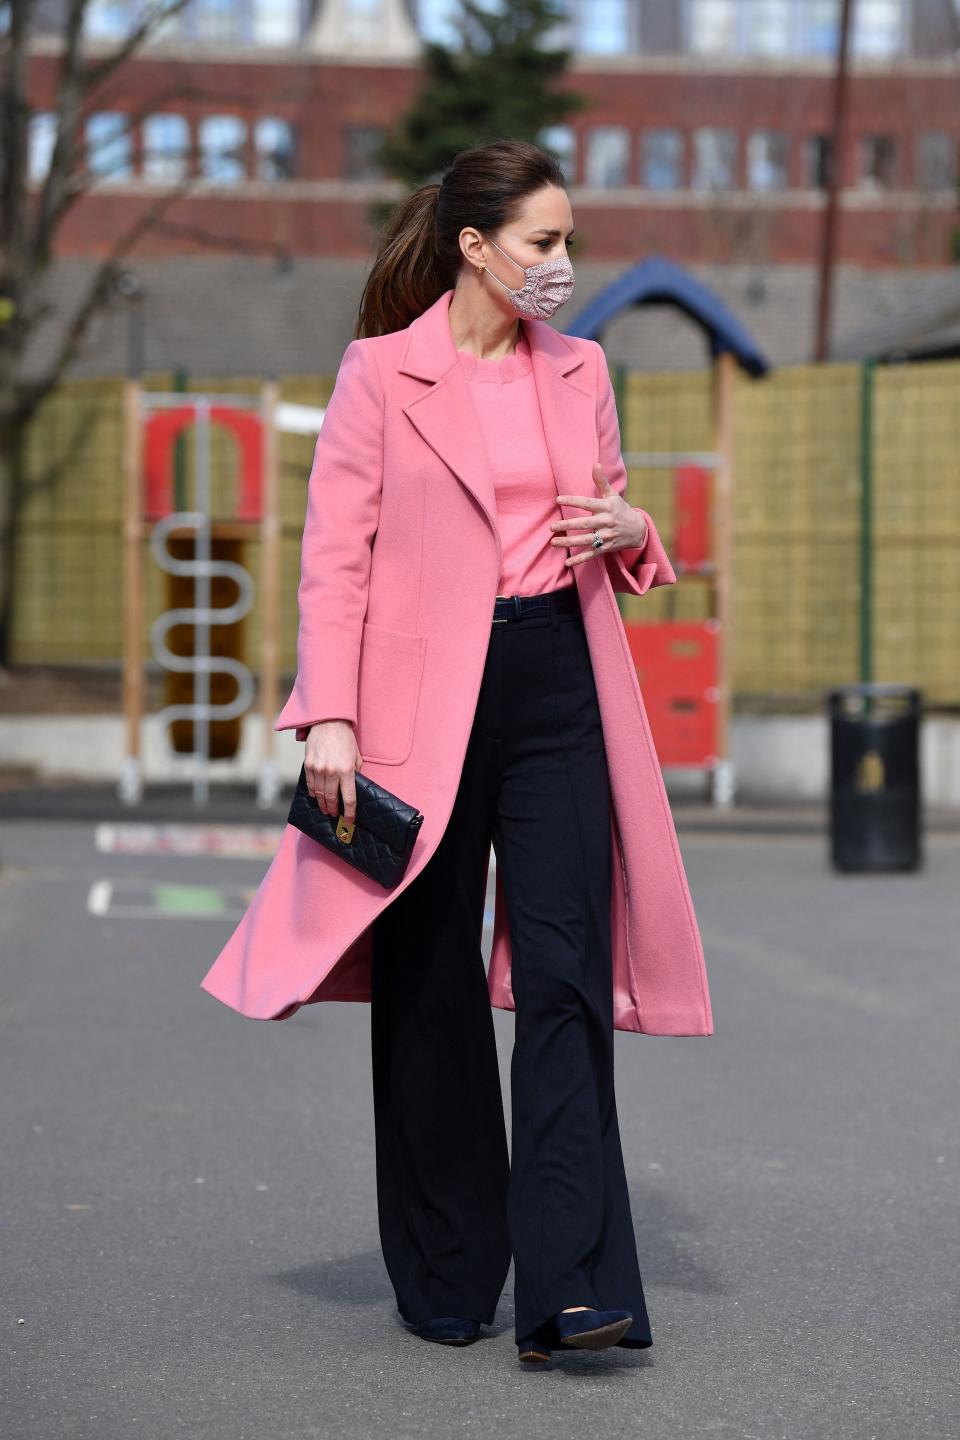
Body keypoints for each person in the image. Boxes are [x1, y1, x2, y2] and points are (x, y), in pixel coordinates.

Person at [202, 136, 714, 1367]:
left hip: (555, 690)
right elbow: (336, 557)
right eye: (543, 242)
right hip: (416, 711)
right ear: (475, 248)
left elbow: (610, 519)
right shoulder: (380, 374)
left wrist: (638, 526)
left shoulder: (580, 367)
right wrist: (327, 713)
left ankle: (571, 1283)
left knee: (563, 976)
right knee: (426, 988)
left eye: (568, 240)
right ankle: (445, 1269)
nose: (563, 264)